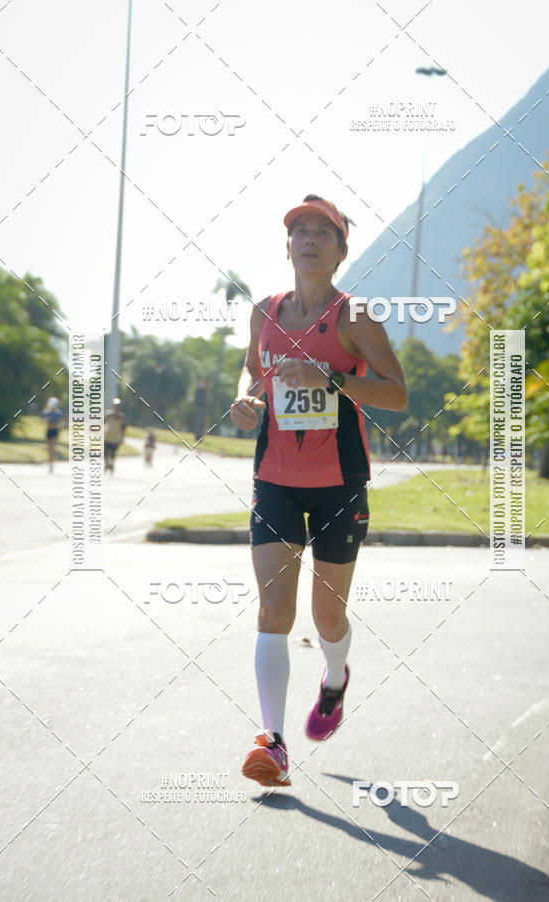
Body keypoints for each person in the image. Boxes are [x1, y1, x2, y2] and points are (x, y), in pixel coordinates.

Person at [231, 194, 408, 787]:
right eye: (298, 231)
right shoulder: (265, 311)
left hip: (339, 485)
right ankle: (273, 743)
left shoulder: (356, 318)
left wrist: (331, 377)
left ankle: (334, 678)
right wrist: (248, 397)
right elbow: (253, 367)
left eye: (321, 233)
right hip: (274, 480)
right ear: (288, 246)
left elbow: (397, 393)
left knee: (326, 615)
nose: (308, 239)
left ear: (339, 250)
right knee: (274, 609)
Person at [40, 397, 63, 473]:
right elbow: (42, 420)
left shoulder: (58, 413)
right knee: (49, 449)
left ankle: (51, 463)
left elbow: (60, 422)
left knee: (53, 447)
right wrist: (46, 419)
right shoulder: (46, 412)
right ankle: (50, 463)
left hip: (55, 431)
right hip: (49, 431)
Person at [104, 398, 126, 474]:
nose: (116, 408)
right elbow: (103, 421)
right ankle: (106, 465)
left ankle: (112, 465)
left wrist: (123, 438)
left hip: (116, 438)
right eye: (115, 406)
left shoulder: (121, 417)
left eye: (118, 406)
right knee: (105, 453)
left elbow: (123, 428)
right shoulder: (108, 414)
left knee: (113, 454)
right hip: (107, 436)